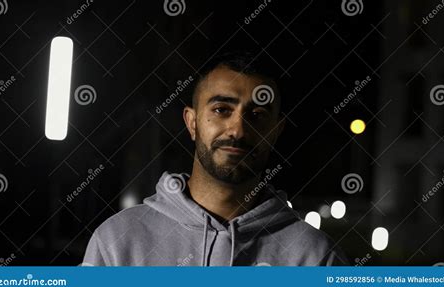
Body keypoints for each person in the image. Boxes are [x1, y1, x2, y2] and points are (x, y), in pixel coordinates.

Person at [82, 51, 348, 266]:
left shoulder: (316, 258)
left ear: (276, 131)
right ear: (192, 122)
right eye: (221, 109)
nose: (238, 130)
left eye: (257, 115)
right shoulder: (118, 241)